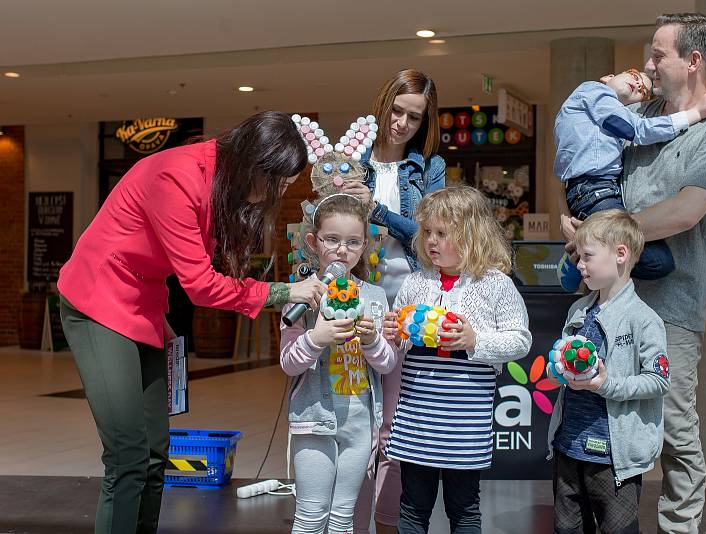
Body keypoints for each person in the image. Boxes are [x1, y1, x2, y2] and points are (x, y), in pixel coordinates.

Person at [57, 111, 327, 534]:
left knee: (154, 452)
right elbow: (201, 285)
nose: (275, 193)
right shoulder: (177, 177)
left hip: (142, 304)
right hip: (96, 299)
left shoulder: (218, 179)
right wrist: (281, 291)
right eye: (275, 183)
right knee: (128, 454)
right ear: (254, 164)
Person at [560, 12, 706, 534]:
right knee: (591, 418)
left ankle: (678, 529)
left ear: (693, 62)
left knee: (674, 430)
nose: (646, 65)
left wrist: (601, 232)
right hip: (603, 302)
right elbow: (585, 162)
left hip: (670, 307)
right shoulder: (633, 112)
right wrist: (574, 216)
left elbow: (687, 211)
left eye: (658, 54)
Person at [382, 185, 532, 533]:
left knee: (463, 508)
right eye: (427, 232)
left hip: (463, 424)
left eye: (441, 233)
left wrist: (474, 340)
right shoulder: (415, 283)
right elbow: (398, 345)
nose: (431, 241)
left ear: (470, 235)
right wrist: (394, 332)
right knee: (413, 507)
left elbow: (520, 340)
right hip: (417, 419)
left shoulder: (495, 284)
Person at [348, 69, 446, 534]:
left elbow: (431, 236)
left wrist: (378, 213)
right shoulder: (351, 161)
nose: (402, 123)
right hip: (356, 297)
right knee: (352, 417)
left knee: (395, 424)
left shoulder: (429, 169)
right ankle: (345, 518)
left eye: (415, 117)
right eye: (398, 110)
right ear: (383, 102)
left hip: (409, 303)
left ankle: (388, 522)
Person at [547, 210, 670, 534]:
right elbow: (560, 368)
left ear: (620, 254)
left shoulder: (644, 319)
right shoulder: (578, 310)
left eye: (587, 256)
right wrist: (557, 370)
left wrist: (606, 383)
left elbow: (658, 380)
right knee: (567, 528)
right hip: (568, 447)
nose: (579, 265)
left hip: (614, 458)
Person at [280, 192, 396, 534]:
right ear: (314, 243)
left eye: (352, 242)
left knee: (344, 518)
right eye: (332, 240)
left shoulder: (374, 296)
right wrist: (317, 338)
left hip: (360, 426)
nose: (342, 250)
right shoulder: (301, 295)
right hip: (313, 420)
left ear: (364, 247)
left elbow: (387, 365)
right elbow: (289, 363)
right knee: (311, 516)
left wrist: (373, 340)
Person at [555, 67, 706, 292]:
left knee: (650, 259)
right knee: (658, 261)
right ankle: (583, 252)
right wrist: (695, 113)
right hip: (595, 191)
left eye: (643, 92)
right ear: (607, 78)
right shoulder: (593, 91)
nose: (638, 85)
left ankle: (586, 251)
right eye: (634, 75)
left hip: (596, 191)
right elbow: (637, 129)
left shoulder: (597, 123)